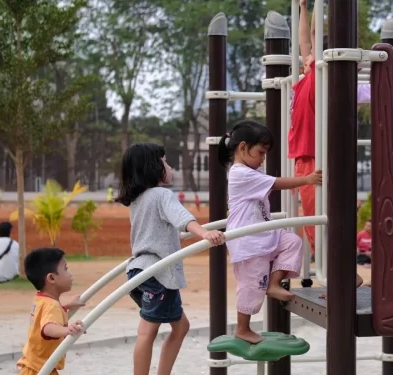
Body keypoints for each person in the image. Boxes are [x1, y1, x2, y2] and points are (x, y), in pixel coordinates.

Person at [115, 142, 225, 375]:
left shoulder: (139, 200)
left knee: (181, 326)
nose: (169, 166)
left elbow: (157, 232)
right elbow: (182, 217)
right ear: (153, 167)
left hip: (138, 272)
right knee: (147, 331)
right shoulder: (162, 195)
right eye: (165, 162)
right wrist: (204, 233)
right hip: (158, 274)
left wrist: (179, 238)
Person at [218, 120, 321, 344]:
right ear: (243, 148)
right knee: (252, 285)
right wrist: (307, 179)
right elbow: (275, 183)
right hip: (248, 241)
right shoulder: (240, 173)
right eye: (261, 152)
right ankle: (242, 328)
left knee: (292, 242)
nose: (263, 158)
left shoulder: (249, 169)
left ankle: (273, 284)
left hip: (264, 234)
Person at [291, 0, 364, 288]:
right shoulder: (308, 75)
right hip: (305, 156)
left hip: (315, 157)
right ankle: (339, 274)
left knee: (317, 220)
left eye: (312, 55)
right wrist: (304, 9)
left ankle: (338, 275)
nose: (306, 56)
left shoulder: (324, 77)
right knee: (314, 220)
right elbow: (305, 38)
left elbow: (310, 43)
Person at [356, 70, 393, 288]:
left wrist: (357, 70)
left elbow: (351, 92)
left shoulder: (385, 88)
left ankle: (383, 273)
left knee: (384, 218)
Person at [16, 248, 86, 375]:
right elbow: (48, 328)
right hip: (40, 369)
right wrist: (67, 330)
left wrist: (67, 305)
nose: (69, 274)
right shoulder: (52, 305)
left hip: (33, 366)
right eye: (65, 269)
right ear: (52, 278)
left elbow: (47, 316)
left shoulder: (41, 299)